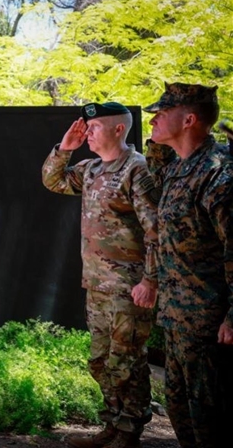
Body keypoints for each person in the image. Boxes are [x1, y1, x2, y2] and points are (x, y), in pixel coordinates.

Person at [41, 103, 159, 448]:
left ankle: (129, 430)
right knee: (100, 362)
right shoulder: (91, 168)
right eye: (87, 127)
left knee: (126, 362)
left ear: (118, 129)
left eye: (94, 127)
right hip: (97, 284)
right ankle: (112, 424)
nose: (88, 133)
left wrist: (150, 281)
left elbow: (156, 231)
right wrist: (65, 148)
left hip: (129, 287)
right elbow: (53, 181)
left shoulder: (137, 170)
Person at [142, 83, 233, 448]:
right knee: (181, 413)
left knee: (212, 419)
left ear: (189, 120)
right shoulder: (178, 168)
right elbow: (155, 173)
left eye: (162, 113)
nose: (153, 119)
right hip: (178, 317)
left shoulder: (218, 173)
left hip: (210, 322)